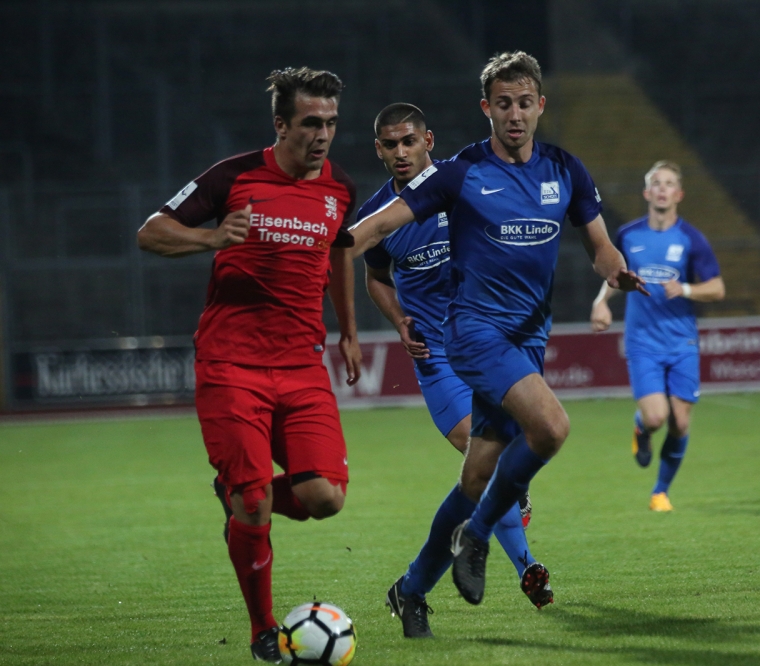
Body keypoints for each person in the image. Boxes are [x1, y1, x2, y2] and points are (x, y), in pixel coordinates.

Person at [350, 51, 647, 624]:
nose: (515, 114)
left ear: (541, 106)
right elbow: (376, 238)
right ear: (486, 108)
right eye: (503, 103)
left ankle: (411, 589)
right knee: (550, 427)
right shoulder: (460, 175)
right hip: (462, 339)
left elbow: (600, 246)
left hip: (524, 340)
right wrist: (331, 246)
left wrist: (615, 270)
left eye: (524, 103)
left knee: (477, 477)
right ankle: (489, 541)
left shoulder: (565, 170)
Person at [137, 67, 361, 663]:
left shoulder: (340, 188)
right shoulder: (233, 177)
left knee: (326, 498)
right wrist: (210, 240)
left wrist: (348, 331)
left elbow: (341, 252)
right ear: (281, 125)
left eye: (331, 123)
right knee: (256, 501)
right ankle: (264, 629)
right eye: (310, 123)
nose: (322, 135)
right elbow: (151, 233)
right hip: (231, 364)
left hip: (302, 366)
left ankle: (237, 497)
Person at [356, 103, 545, 638]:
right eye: (390, 144)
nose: (401, 152)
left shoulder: (466, 184)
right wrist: (398, 319)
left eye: (409, 141)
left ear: (428, 141)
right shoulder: (377, 217)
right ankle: (526, 566)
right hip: (436, 357)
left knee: (495, 466)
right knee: (483, 462)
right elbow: (376, 277)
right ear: (378, 149)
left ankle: (411, 588)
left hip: (486, 345)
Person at [590, 160, 725, 512]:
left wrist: (687, 290)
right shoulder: (629, 235)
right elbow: (616, 277)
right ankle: (641, 428)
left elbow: (717, 288)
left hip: (682, 343)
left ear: (678, 194)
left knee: (680, 423)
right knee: (655, 418)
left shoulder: (691, 238)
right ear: (647, 193)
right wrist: (601, 302)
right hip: (643, 342)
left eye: (669, 184)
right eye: (657, 183)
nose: (663, 189)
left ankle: (660, 493)